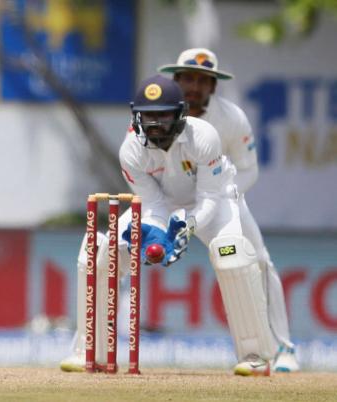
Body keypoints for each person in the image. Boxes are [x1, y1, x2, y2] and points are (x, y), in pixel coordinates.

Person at [61, 75, 279, 376]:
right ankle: (89, 352)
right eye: (147, 116)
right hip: (163, 204)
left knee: (232, 255)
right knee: (99, 251)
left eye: (162, 116)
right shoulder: (131, 150)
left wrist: (187, 226)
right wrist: (155, 234)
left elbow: (209, 198)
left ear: (180, 114)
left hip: (213, 202)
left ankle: (256, 357)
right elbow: (153, 203)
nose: (154, 125)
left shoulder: (204, 137)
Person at [157, 48, 298, 373]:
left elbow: (249, 169)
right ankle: (94, 346)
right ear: (176, 80)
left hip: (220, 199)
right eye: (188, 78)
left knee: (258, 261)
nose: (194, 87)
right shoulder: (158, 111)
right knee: (124, 246)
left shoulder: (231, 118)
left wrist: (230, 195)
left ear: (213, 86)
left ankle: (282, 349)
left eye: (203, 81)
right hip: (170, 200)